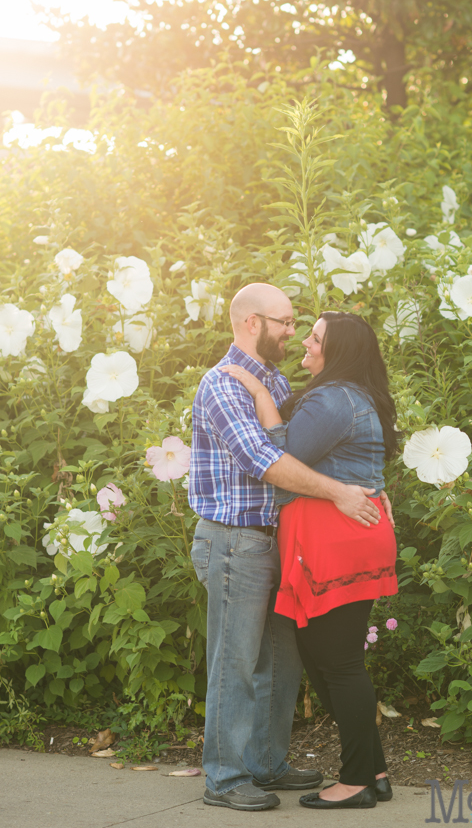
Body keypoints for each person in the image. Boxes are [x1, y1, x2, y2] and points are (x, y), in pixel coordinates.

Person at [188, 284, 392, 812]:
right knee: (235, 660)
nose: (293, 332)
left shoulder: (276, 380)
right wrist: (343, 493)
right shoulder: (224, 386)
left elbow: (327, 448)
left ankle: (266, 762)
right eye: (284, 321)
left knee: (283, 659)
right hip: (236, 541)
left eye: (301, 325)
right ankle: (226, 778)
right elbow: (269, 462)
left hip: (282, 541)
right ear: (252, 322)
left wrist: (365, 481)